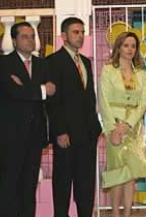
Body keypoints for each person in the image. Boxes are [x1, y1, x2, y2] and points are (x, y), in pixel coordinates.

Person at [0, 22, 55, 217]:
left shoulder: (42, 64)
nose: (30, 40)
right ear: (14, 40)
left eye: (32, 36)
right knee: (9, 185)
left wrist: (29, 90)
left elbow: (45, 94)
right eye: (24, 36)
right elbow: (13, 92)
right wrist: (42, 90)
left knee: (29, 185)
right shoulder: (3, 63)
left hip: (35, 135)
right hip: (10, 136)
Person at [46, 17, 102, 217]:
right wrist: (60, 131)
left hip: (87, 134)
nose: (80, 36)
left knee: (86, 184)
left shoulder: (85, 61)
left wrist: (96, 128)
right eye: (75, 32)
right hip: (66, 135)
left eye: (81, 32)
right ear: (64, 36)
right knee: (63, 183)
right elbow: (53, 101)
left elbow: (89, 97)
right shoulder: (53, 61)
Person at [99, 31, 146, 217]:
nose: (130, 49)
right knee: (117, 173)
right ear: (119, 47)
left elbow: (143, 103)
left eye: (133, 46)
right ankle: (115, 213)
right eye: (126, 45)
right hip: (114, 128)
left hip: (134, 129)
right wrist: (113, 129)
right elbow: (103, 101)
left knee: (131, 174)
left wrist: (128, 125)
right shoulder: (108, 70)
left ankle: (128, 213)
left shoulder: (143, 74)